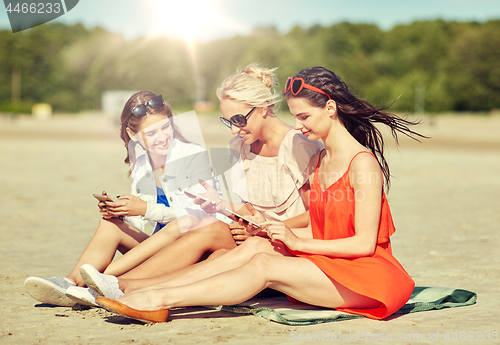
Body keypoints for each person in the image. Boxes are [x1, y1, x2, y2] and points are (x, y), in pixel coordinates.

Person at [94, 66, 423, 323]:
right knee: (255, 245)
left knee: (264, 265)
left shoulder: (362, 164)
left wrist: (297, 241)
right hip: (332, 263)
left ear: (332, 108)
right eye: (295, 117)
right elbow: (322, 219)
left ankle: (156, 300)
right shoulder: (324, 159)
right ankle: (137, 287)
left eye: (304, 117)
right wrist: (259, 223)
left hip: (368, 276)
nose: (298, 126)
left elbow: (364, 244)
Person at [76, 64, 323, 297]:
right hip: (252, 235)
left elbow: (318, 214)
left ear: (262, 107)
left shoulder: (298, 146)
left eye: (238, 120)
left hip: (285, 241)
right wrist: (224, 207)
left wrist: (264, 231)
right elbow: (248, 208)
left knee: (203, 228)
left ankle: (119, 284)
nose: (234, 130)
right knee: (207, 226)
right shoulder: (240, 145)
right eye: (228, 122)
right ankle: (102, 283)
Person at [24, 91, 221, 307]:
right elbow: (141, 221)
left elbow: (200, 216)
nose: (162, 137)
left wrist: (145, 208)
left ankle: (99, 282)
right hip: (159, 245)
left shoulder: (193, 155)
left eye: (166, 127)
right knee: (109, 225)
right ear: (133, 134)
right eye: (152, 132)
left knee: (186, 222)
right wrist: (122, 212)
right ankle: (69, 283)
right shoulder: (142, 162)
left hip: (193, 248)